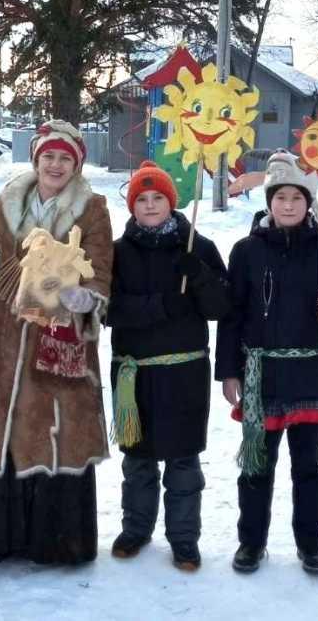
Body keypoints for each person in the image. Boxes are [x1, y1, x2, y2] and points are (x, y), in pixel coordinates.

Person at [0, 119, 113, 565]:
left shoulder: (92, 209)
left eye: (64, 158)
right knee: (2, 422)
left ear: (76, 164)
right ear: (36, 159)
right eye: (48, 156)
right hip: (4, 333)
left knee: (54, 427)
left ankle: (55, 542)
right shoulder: (10, 200)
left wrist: (85, 297)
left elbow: (103, 272)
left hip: (61, 330)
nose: (55, 164)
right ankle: (0, 535)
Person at [216, 150, 318, 576]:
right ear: (269, 202)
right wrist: (228, 370)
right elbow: (231, 315)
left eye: (297, 197)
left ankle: (310, 544)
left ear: (309, 202)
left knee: (308, 467)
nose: (289, 204)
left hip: (309, 375)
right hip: (261, 377)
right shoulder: (246, 251)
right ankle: (251, 543)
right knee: (256, 466)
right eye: (281, 197)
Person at [106, 161, 231, 571]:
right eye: (141, 199)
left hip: (184, 374)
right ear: (131, 207)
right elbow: (109, 310)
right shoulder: (116, 253)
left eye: (158, 196)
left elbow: (222, 307)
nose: (150, 204)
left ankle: (183, 537)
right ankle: (136, 528)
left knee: (182, 459)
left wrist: (200, 279)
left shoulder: (199, 246)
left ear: (171, 201)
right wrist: (161, 305)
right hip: (134, 373)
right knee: (138, 459)